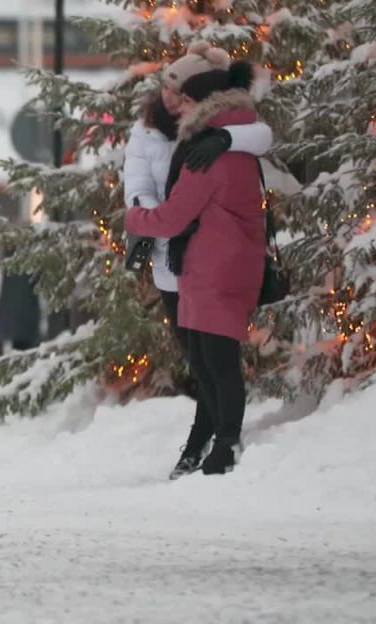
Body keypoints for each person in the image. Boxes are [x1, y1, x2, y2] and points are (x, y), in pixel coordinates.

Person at [123, 41, 273, 479]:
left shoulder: (210, 150)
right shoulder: (217, 141)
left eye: (185, 97)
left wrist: (134, 218)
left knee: (216, 365)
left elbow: (173, 216)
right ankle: (211, 444)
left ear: (203, 103)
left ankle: (224, 446)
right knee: (208, 362)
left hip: (212, 265)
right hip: (208, 263)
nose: (176, 104)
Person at [0, 251, 41, 351]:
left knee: (20, 346)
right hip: (25, 319)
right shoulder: (28, 254)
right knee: (24, 346)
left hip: (17, 317)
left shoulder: (10, 257)